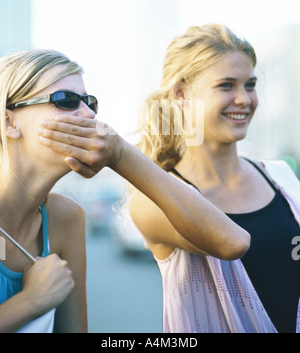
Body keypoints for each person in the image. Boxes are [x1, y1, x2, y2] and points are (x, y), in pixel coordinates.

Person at [39, 24, 300, 333]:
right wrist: (119, 153)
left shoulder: (280, 176)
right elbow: (231, 242)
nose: (244, 99)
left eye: (250, 84)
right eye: (227, 86)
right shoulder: (150, 202)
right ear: (181, 94)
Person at [0, 49, 94, 333]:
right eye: (66, 100)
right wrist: (33, 300)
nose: (89, 114)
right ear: (9, 122)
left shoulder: (66, 217)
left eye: (91, 103)